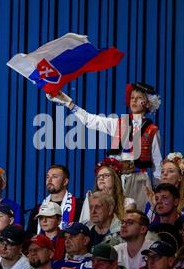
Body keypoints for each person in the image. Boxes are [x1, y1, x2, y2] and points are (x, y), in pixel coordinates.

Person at [46, 82, 163, 212]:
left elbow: (157, 165)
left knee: (134, 215)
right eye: (132, 97)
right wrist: (68, 103)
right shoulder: (118, 123)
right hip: (116, 180)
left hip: (139, 181)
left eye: (139, 97)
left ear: (148, 104)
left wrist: (160, 190)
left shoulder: (152, 130)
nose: (134, 100)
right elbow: (89, 120)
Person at [27, 165, 82, 234]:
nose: (49, 180)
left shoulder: (79, 206)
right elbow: (30, 236)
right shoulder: (38, 209)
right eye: (47, 177)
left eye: (54, 177)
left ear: (65, 181)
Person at [79, 158, 136, 224]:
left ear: (115, 179)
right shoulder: (90, 199)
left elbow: (124, 226)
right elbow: (85, 225)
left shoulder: (128, 203)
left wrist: (108, 201)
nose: (101, 178)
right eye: (99, 176)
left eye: (106, 175)